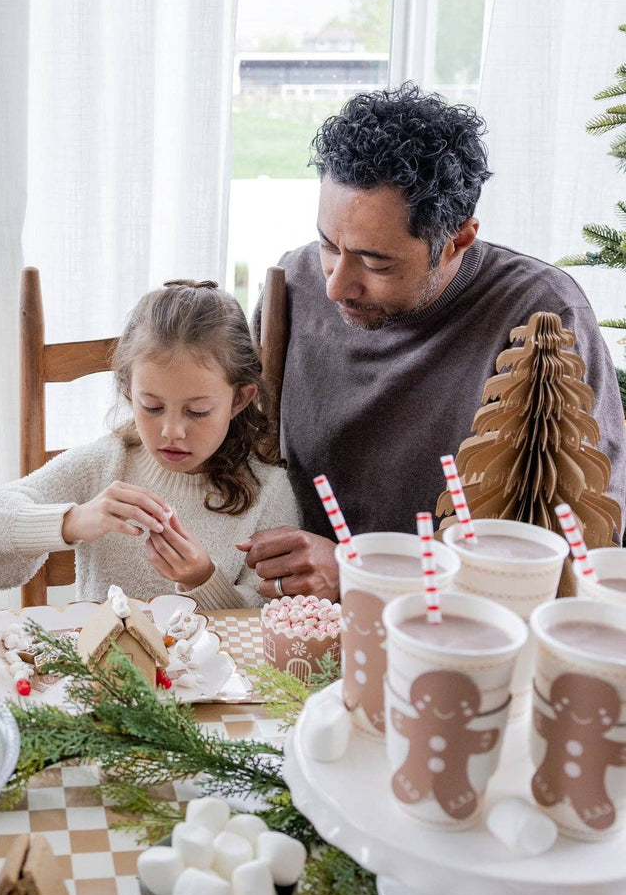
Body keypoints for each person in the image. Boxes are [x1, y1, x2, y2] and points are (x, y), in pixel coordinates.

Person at [240, 83, 626, 602]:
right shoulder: (293, 283)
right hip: (288, 613)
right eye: (329, 245)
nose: (335, 285)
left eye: (376, 262)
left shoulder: (545, 318)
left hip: (455, 628)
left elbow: (583, 555)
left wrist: (361, 573)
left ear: (458, 240)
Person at [0, 280, 300, 607]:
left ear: (239, 400)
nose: (172, 430)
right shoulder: (106, 465)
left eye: (198, 411)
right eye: (152, 407)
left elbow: (273, 625)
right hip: (100, 672)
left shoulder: (268, 491)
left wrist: (202, 580)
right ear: (129, 389)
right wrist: (72, 520)